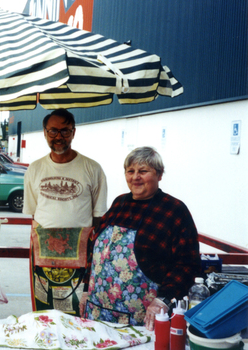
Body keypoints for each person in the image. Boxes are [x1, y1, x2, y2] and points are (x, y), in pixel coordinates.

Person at [79, 146, 201, 330]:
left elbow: (187, 264)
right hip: (98, 314)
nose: (135, 177)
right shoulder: (119, 203)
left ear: (159, 175)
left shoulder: (174, 210)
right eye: (130, 171)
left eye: (143, 171)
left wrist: (164, 300)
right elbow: (96, 250)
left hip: (142, 320)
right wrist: (86, 290)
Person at [24, 109, 108, 315]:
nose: (58, 137)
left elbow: (98, 216)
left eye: (65, 131)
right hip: (43, 250)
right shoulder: (34, 169)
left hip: (81, 250)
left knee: (78, 306)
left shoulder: (92, 168)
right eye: (53, 131)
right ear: (44, 133)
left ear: (74, 132)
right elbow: (35, 213)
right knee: (44, 305)